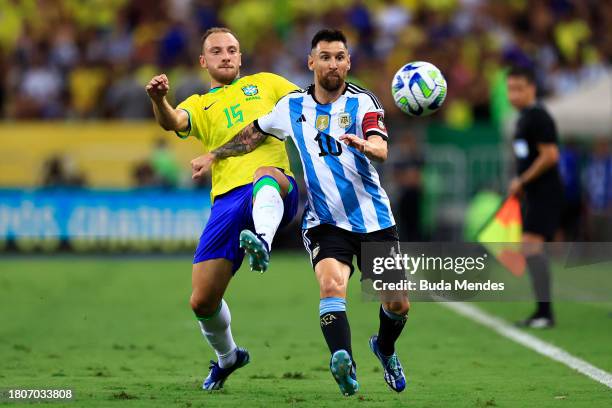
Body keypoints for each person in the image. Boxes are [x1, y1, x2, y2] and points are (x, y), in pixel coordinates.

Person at [191, 28, 409, 396]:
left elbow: (380, 145)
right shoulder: (293, 107)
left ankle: (384, 348)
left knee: (397, 303)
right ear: (311, 62)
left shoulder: (364, 102)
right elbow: (253, 134)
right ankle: (344, 361)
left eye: (340, 57)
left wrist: (368, 146)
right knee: (331, 285)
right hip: (325, 221)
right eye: (325, 57)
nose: (333, 64)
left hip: (374, 220)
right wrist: (214, 154)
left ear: (348, 62)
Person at [145, 27, 300, 390]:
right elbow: (173, 122)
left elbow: (307, 106)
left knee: (264, 175)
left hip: (276, 184)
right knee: (202, 301)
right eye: (217, 51)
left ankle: (262, 240)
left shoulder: (268, 84)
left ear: (241, 57)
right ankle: (229, 357)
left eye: (232, 50)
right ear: (204, 61)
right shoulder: (200, 104)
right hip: (227, 201)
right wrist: (158, 100)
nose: (226, 55)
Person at [506, 66, 564, 328]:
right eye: (510, 89)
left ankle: (545, 313)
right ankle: (542, 312)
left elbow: (551, 155)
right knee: (529, 247)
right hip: (533, 193)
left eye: (519, 88)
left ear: (532, 88)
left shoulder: (539, 116)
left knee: (531, 246)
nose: (513, 95)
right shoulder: (523, 118)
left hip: (545, 192)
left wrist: (523, 180)